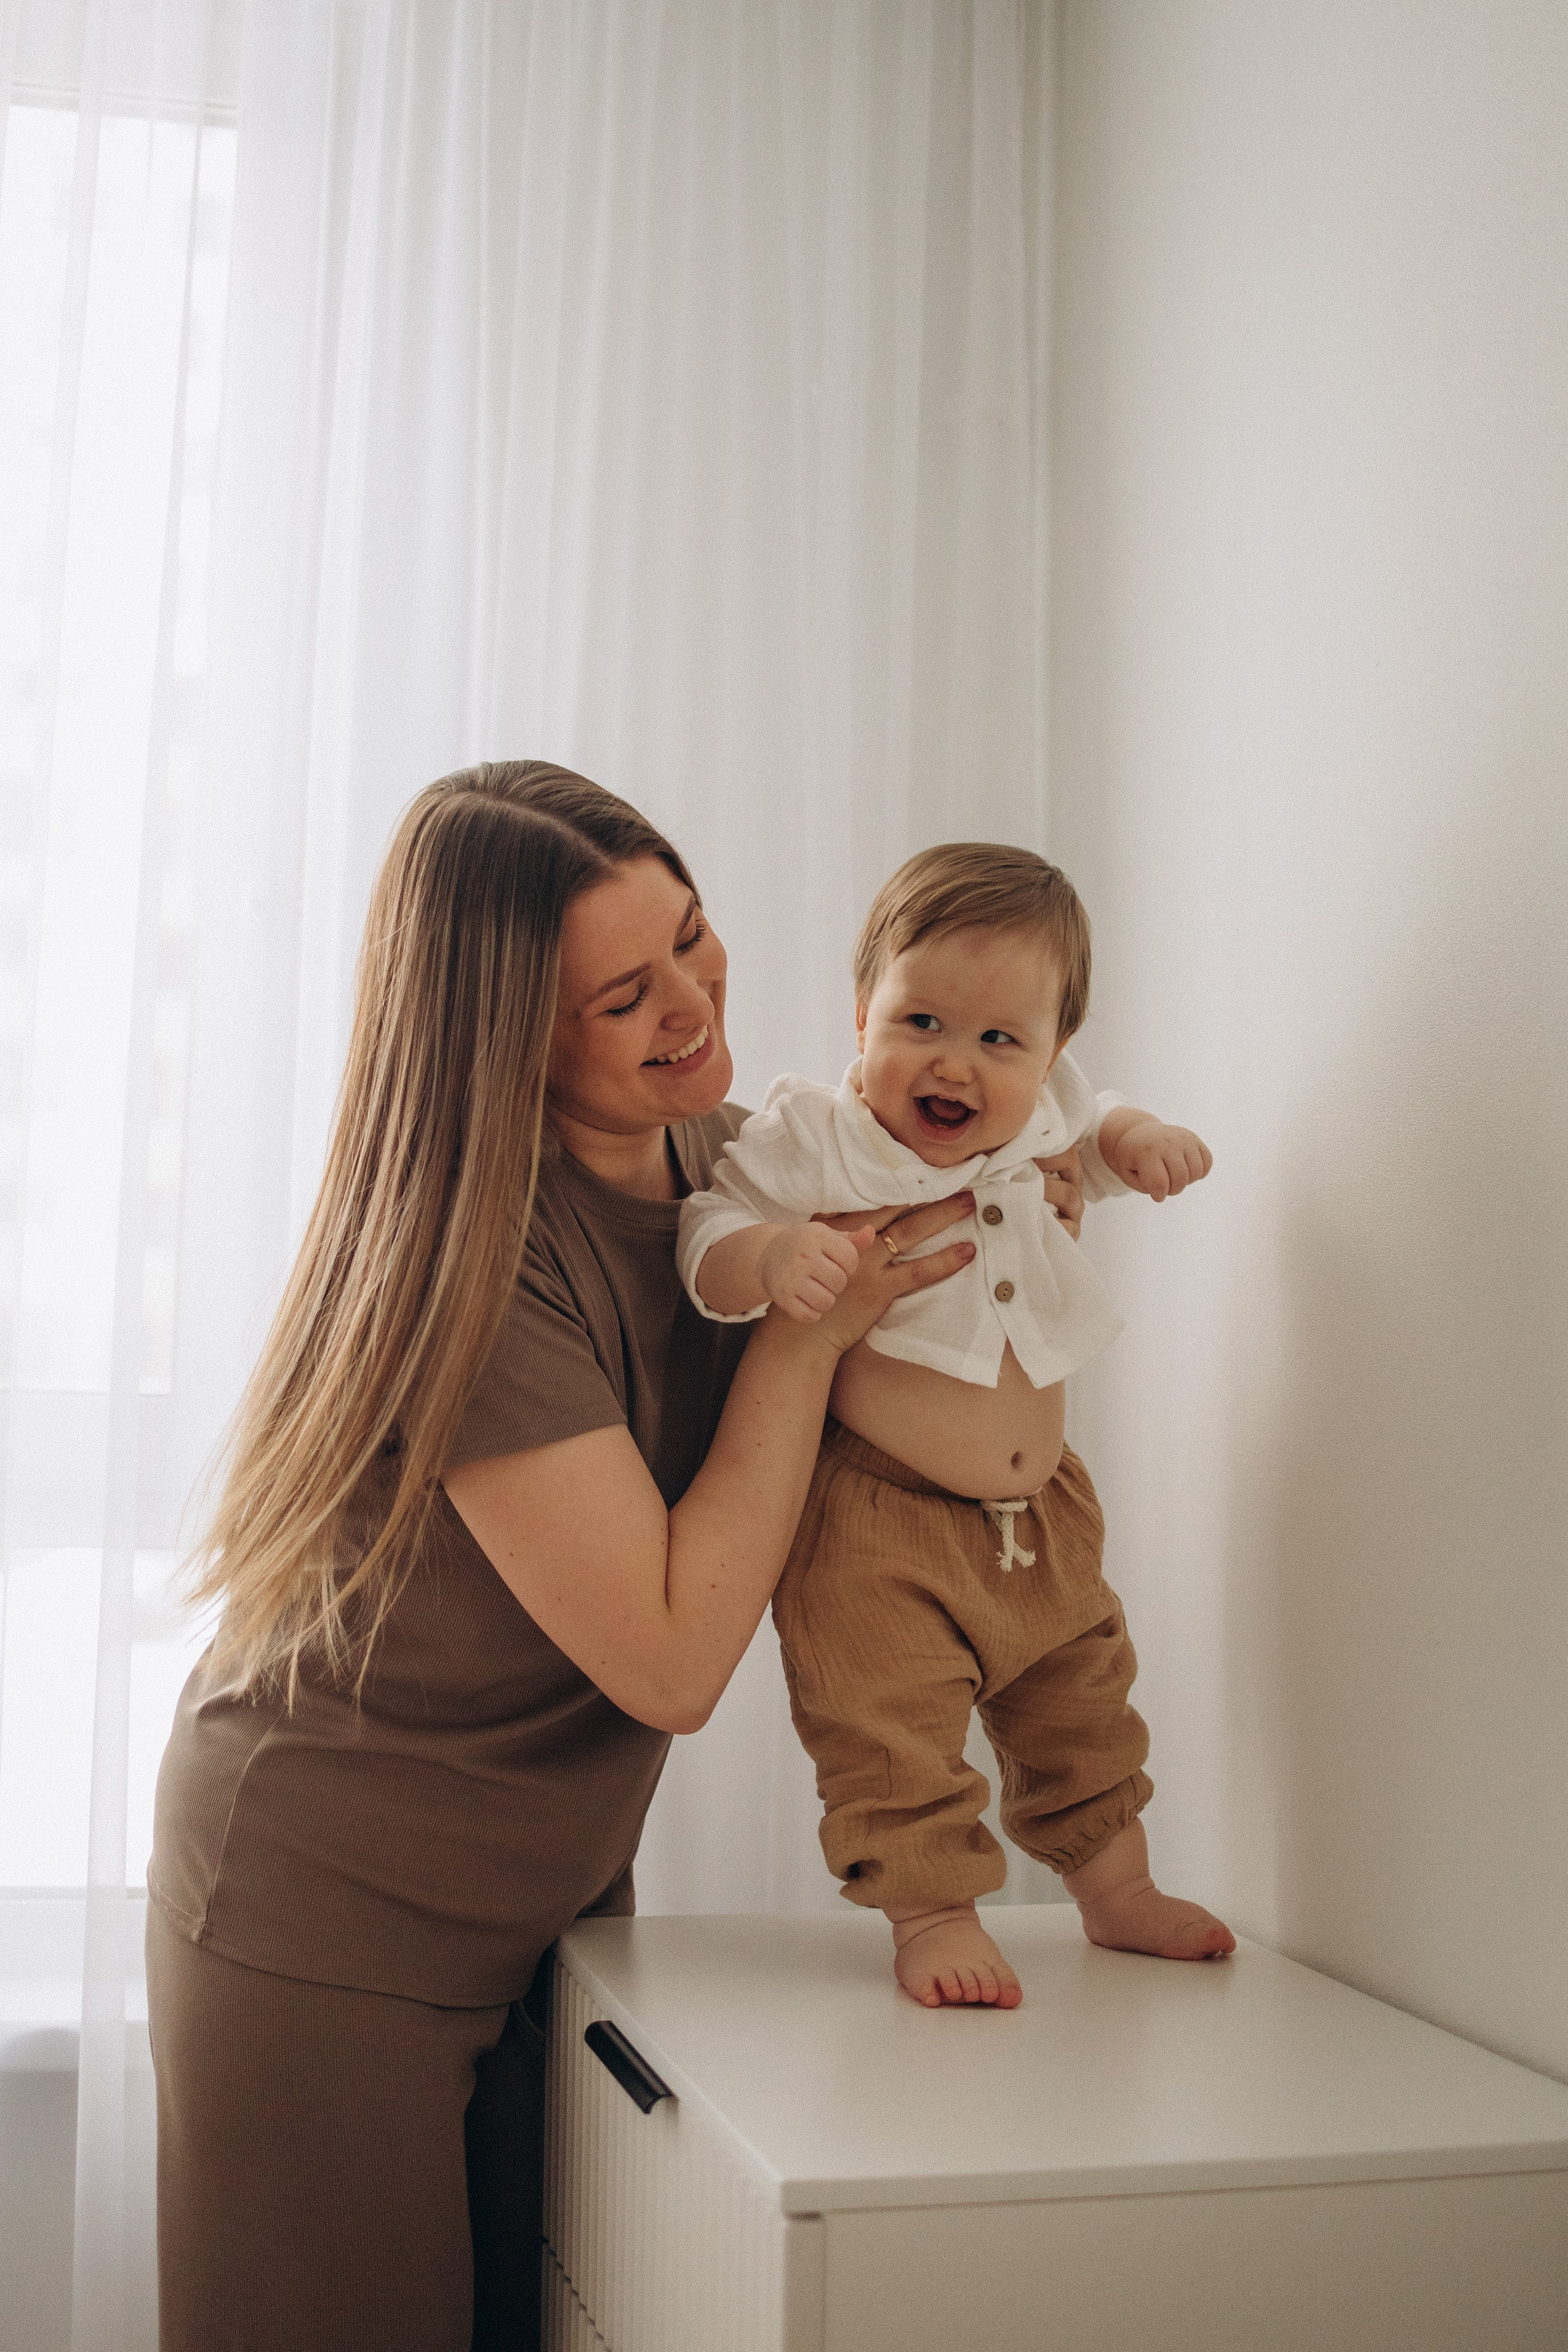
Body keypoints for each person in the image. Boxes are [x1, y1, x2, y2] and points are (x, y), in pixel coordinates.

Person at [144, 763, 1002, 2352]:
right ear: (513, 1041)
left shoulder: (735, 1169)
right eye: (628, 993)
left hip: (549, 1896)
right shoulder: (471, 1267)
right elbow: (673, 1660)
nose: (692, 1001)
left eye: (693, 934)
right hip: (328, 1903)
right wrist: (807, 1347)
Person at [677, 841, 1237, 2011]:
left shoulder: (1050, 1118)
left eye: (1001, 1041)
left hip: (1043, 1514)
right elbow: (707, 1228)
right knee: (888, 1733)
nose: (956, 1065)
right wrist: (774, 1257)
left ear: (1051, 1055)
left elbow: (1103, 1120)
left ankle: (1118, 1892)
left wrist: (1134, 1145)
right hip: (877, 1517)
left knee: (1083, 1703)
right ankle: (930, 1912)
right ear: (863, 1012)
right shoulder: (818, 1138)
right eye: (920, 1021)